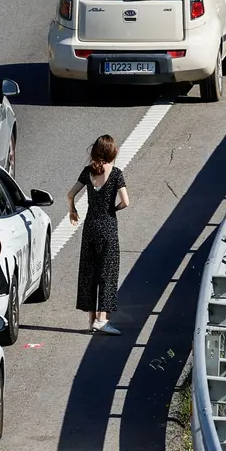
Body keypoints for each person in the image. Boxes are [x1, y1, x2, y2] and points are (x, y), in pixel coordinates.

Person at [70, 134, 129, 334]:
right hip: (108, 227)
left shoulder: (88, 172)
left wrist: (73, 210)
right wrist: (114, 209)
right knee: (108, 272)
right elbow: (125, 201)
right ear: (112, 153)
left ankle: (91, 321)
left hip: (90, 228)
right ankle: (102, 319)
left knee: (90, 272)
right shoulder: (116, 174)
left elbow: (70, 194)